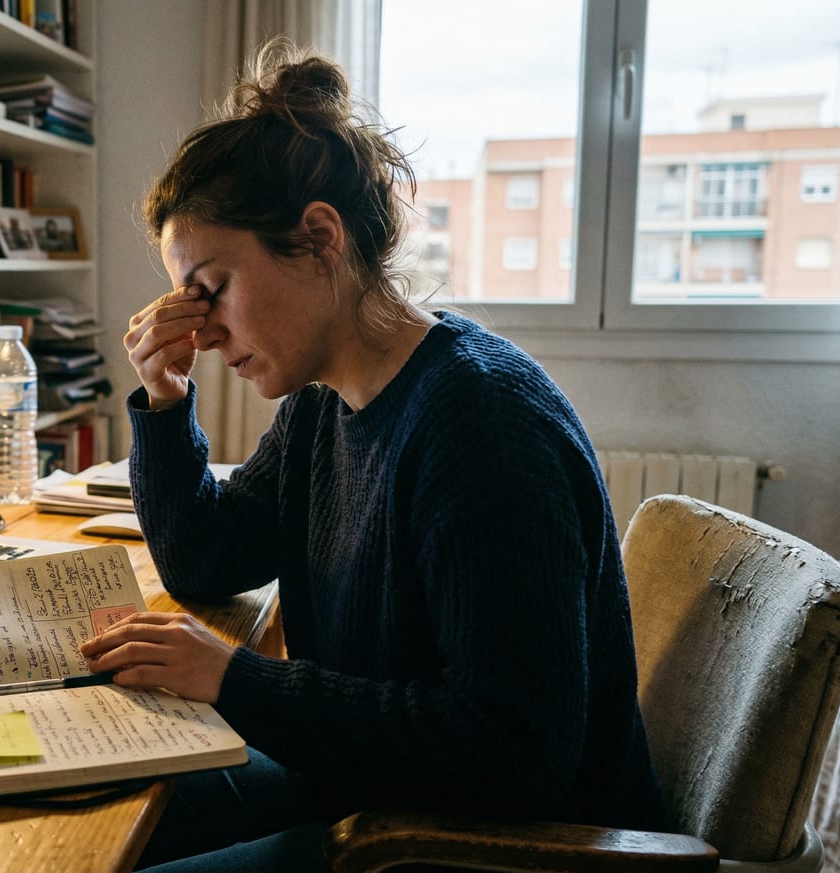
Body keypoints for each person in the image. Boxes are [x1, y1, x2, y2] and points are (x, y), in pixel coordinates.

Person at [77, 42, 669, 872]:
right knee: (88, 813)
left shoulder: (483, 427)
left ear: (319, 238)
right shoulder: (327, 401)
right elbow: (208, 559)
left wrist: (239, 680)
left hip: (472, 848)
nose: (200, 331)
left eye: (210, 289)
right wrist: (166, 402)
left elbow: (514, 754)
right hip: (369, 790)